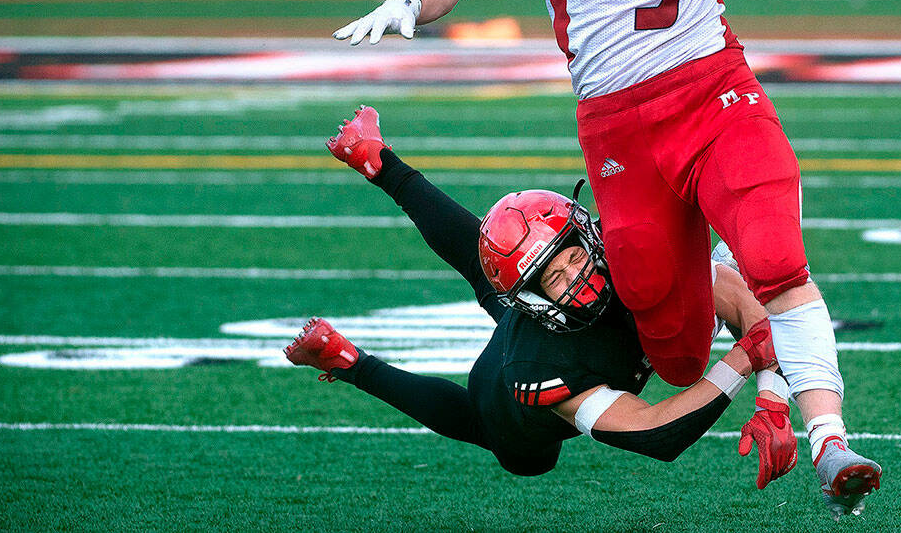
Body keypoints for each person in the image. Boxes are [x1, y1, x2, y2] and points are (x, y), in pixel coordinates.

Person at [331, 0, 881, 518]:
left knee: (779, 260)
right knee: (677, 350)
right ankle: (716, 276)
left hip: (713, 85)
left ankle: (829, 440)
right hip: (620, 125)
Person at [286, 106, 797, 489]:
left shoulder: (614, 248)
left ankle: (381, 164)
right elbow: (656, 433)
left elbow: (745, 306)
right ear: (531, 301)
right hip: (515, 380)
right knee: (501, 439)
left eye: (574, 257)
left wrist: (772, 396)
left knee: (486, 256)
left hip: (536, 306)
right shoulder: (542, 368)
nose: (578, 277)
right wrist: (740, 359)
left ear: (587, 235)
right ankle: (351, 362)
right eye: (555, 279)